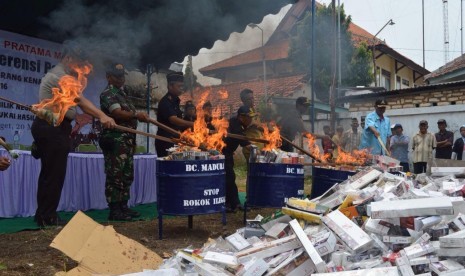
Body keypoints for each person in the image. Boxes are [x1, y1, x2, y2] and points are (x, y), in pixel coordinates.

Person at [31, 43, 116, 227]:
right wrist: (102, 115)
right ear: (68, 58)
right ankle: (48, 216)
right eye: (77, 62)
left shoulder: (64, 75)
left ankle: (44, 214)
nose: (79, 67)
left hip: (55, 127)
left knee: (51, 173)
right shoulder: (59, 75)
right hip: (51, 127)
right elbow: (81, 102)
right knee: (53, 174)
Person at [99, 63, 150, 221]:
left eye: (122, 76)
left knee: (127, 174)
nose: (121, 79)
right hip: (115, 140)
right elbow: (117, 113)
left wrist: (135, 115)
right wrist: (136, 115)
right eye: (117, 76)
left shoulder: (123, 94)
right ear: (109, 77)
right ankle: (114, 209)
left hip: (127, 140)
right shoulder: (108, 93)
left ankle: (123, 206)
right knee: (116, 174)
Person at [222, 106, 254, 212]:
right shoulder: (236, 126)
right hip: (221, 153)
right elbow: (246, 144)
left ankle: (234, 203)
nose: (251, 120)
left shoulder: (239, 124)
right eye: (249, 117)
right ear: (241, 117)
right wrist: (261, 149)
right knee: (228, 177)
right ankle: (229, 204)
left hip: (228, 153)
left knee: (230, 177)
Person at [155, 72, 194, 157]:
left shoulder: (176, 101)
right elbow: (173, 119)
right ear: (170, 86)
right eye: (179, 86)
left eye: (182, 86)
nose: (181, 89)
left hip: (175, 140)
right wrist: (192, 124)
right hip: (165, 141)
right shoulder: (165, 101)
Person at [239, 89, 264, 162]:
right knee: (253, 170)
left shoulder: (254, 110)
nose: (252, 100)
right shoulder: (243, 112)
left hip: (260, 146)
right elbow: (253, 124)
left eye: (252, 98)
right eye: (249, 99)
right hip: (251, 147)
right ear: (243, 100)